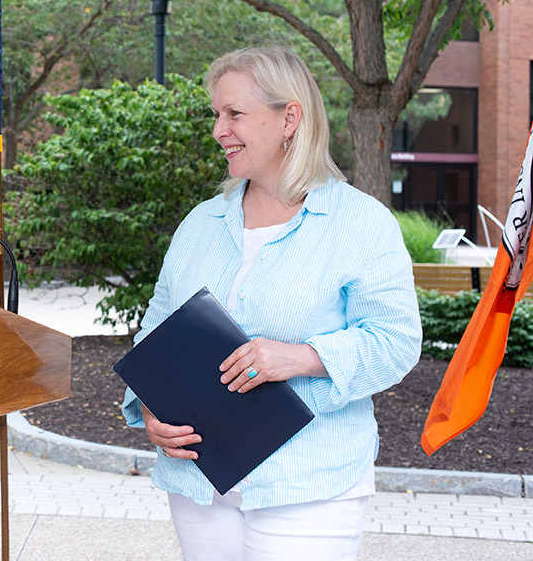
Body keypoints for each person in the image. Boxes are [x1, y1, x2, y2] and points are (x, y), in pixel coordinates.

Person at [121, 46, 420, 560]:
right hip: (199, 483)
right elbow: (155, 333)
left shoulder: (361, 223)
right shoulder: (200, 224)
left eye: (234, 113)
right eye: (216, 114)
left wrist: (298, 357)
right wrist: (151, 408)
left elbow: (396, 342)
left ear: (290, 118)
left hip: (308, 486)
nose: (219, 129)